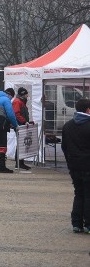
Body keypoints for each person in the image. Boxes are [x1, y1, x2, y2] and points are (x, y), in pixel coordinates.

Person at [61, 97, 90, 233]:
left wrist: (70, 162)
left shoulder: (68, 126)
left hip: (74, 166)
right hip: (88, 165)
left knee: (78, 194)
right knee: (88, 195)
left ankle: (76, 223)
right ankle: (88, 224)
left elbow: (64, 147)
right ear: (88, 110)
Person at [11, 87, 33, 171]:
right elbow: (16, 114)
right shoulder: (17, 102)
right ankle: (18, 163)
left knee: (21, 144)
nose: (27, 95)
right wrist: (24, 121)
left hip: (22, 125)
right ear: (23, 94)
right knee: (20, 144)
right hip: (20, 125)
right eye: (26, 94)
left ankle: (20, 163)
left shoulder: (20, 101)